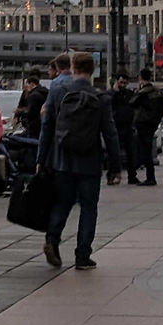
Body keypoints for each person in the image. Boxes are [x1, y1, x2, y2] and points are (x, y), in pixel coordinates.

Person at [37, 51, 121, 270]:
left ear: (73, 68)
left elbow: (47, 128)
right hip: (90, 163)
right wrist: (115, 167)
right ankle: (83, 255)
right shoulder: (101, 98)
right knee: (89, 208)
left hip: (62, 160)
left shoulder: (58, 92)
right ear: (92, 70)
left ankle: (52, 241)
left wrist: (41, 158)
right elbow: (110, 134)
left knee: (62, 203)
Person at [128, 67, 163, 186]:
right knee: (147, 149)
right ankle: (150, 176)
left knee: (144, 150)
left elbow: (132, 102)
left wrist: (139, 89)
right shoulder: (158, 91)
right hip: (152, 124)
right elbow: (161, 109)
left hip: (143, 123)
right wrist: (156, 121)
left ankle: (149, 177)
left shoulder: (144, 92)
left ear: (141, 78)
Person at [111, 75, 139, 185]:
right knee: (114, 152)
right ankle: (114, 174)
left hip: (127, 126)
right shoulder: (112, 94)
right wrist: (115, 92)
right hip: (116, 126)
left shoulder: (129, 94)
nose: (123, 85)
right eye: (121, 82)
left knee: (131, 152)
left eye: (125, 83)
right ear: (116, 82)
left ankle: (132, 176)